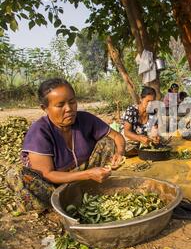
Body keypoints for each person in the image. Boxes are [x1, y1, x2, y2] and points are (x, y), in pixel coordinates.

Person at [5, 78, 126, 212]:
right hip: (52, 186)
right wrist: (87, 174)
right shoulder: (39, 131)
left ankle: (91, 187)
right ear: (45, 108)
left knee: (108, 142)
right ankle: (53, 205)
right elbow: (47, 174)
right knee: (16, 174)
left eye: (72, 102)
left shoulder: (85, 119)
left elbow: (117, 136)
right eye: (60, 105)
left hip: (84, 177)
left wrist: (119, 153)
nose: (69, 109)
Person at [121, 86, 160, 155]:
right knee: (125, 149)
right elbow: (126, 132)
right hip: (129, 140)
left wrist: (156, 138)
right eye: (148, 101)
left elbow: (154, 131)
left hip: (143, 141)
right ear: (141, 99)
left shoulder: (153, 114)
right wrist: (139, 138)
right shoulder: (131, 111)